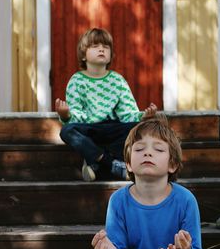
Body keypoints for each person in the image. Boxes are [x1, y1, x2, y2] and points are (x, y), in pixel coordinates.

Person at [72, 115, 220, 249]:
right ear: (129, 165)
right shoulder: (119, 201)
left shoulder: (185, 199)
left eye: (158, 149)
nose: (148, 153)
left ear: (173, 165)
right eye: (139, 149)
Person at [56, 28, 157, 182]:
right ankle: (110, 163)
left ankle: (93, 161)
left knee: (140, 128)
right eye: (95, 46)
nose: (101, 49)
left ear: (110, 55)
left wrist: (143, 116)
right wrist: (66, 115)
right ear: (83, 55)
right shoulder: (76, 81)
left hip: (112, 129)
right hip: (90, 131)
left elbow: (127, 112)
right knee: (67, 131)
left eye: (106, 47)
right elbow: (77, 116)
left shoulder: (117, 80)